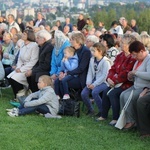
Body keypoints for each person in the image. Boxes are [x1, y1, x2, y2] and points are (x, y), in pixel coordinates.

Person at [97, 34, 137, 125]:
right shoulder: (120, 55)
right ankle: (103, 115)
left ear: (130, 45)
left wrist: (114, 80)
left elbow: (127, 72)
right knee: (105, 91)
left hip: (126, 84)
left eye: (124, 43)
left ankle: (116, 118)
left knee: (113, 93)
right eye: (121, 42)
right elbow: (112, 68)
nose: (121, 44)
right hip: (115, 82)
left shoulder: (132, 57)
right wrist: (109, 79)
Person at [120, 41, 150, 129]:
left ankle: (132, 121)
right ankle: (124, 119)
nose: (134, 57)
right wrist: (131, 76)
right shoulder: (138, 61)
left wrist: (135, 73)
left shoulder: (148, 59)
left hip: (144, 87)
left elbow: (149, 75)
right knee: (122, 95)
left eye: (135, 54)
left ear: (141, 51)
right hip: (136, 85)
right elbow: (136, 75)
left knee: (127, 97)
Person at [7, 29, 39, 101]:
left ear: (29, 36)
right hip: (21, 67)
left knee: (15, 78)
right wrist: (18, 67)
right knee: (10, 77)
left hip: (29, 68)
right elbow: (20, 58)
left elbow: (33, 61)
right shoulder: (22, 44)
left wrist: (21, 69)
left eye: (24, 34)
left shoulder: (34, 46)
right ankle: (17, 96)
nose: (22, 35)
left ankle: (21, 96)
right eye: (23, 33)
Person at [81, 43, 111, 116]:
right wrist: (88, 82)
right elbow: (90, 72)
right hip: (94, 81)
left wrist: (94, 84)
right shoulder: (92, 60)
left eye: (94, 51)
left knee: (95, 92)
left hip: (104, 82)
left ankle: (102, 111)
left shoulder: (106, 62)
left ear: (100, 51)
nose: (92, 53)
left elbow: (104, 76)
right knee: (83, 93)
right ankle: (91, 110)